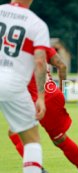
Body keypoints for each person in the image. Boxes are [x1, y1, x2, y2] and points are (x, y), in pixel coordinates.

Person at [8, 47, 78, 173]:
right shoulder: (41, 45)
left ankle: (39, 170)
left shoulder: (14, 51)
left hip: (36, 99)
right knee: (59, 139)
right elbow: (62, 66)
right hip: (53, 94)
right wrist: (61, 90)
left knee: (14, 133)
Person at [0, 1, 48, 172]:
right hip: (11, 84)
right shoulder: (37, 24)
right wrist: (41, 97)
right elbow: (40, 62)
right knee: (32, 141)